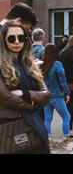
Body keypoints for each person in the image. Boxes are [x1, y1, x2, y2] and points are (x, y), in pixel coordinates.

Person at [0, 21, 50, 153]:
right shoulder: (1, 65)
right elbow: (5, 97)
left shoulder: (29, 64)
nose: (17, 41)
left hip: (35, 124)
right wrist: (33, 106)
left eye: (21, 37)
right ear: (4, 40)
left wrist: (24, 93)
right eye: (11, 38)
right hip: (11, 127)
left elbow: (46, 95)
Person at [41, 44, 71, 149]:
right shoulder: (57, 64)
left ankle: (48, 139)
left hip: (46, 96)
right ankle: (66, 138)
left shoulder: (42, 65)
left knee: (47, 119)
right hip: (57, 96)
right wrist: (67, 93)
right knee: (66, 117)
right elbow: (62, 80)